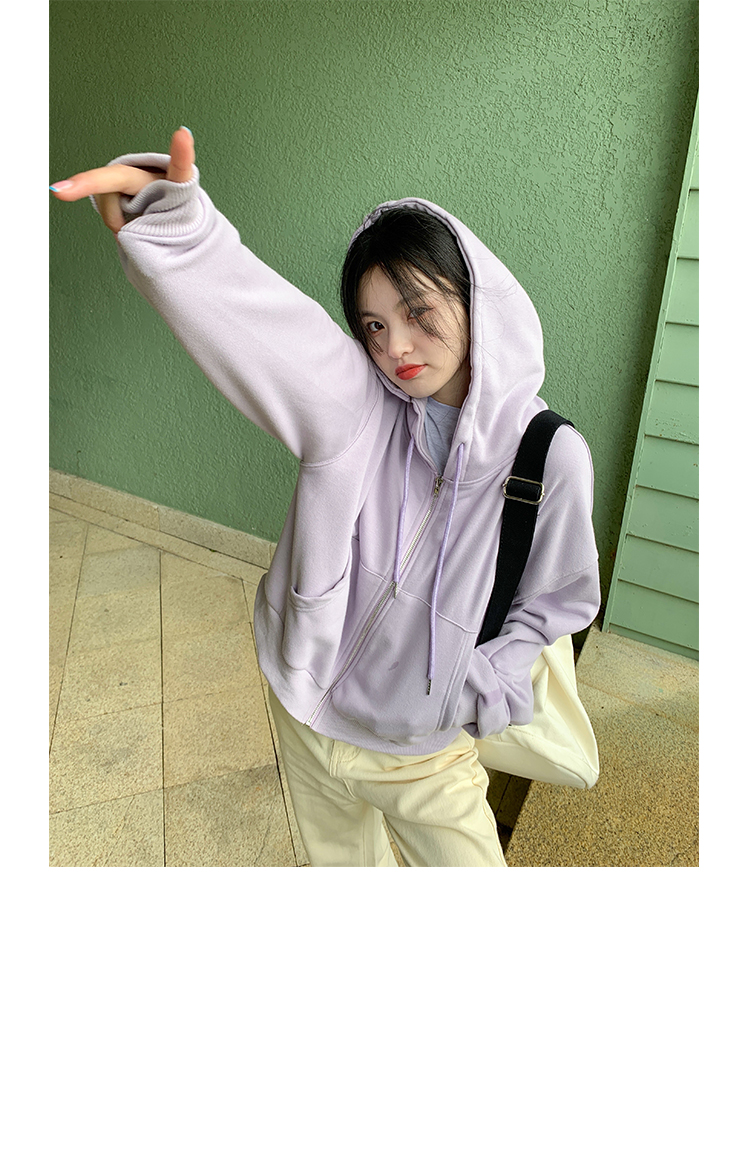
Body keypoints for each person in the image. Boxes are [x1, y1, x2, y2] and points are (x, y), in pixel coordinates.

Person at [51, 128, 600, 867]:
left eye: (419, 312)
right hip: (306, 715)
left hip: (422, 751)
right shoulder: (359, 409)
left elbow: (558, 598)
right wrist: (178, 227)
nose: (396, 347)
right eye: (374, 325)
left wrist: (483, 683)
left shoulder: (549, 456)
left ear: (476, 303)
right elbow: (266, 326)